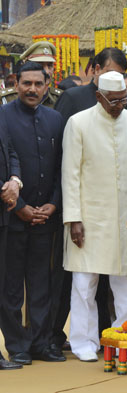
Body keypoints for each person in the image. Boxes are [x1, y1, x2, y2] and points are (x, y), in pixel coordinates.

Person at [50, 46, 127, 356]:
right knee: (84, 284)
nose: (117, 107)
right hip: (87, 219)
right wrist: (72, 218)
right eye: (112, 101)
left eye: (122, 101)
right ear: (98, 96)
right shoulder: (78, 122)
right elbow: (69, 175)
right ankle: (84, 342)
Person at [0, 62, 65, 365]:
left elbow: (61, 168)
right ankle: (17, 345)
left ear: (47, 85)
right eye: (26, 83)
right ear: (16, 82)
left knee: (42, 284)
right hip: (13, 216)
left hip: (45, 217)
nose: (32, 89)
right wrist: (22, 206)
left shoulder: (55, 119)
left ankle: (41, 342)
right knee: (12, 287)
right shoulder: (3, 117)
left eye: (38, 84)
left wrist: (53, 202)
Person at [54, 47, 127, 125]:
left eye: (120, 75)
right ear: (97, 69)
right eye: (111, 73)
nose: (115, 78)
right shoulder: (72, 97)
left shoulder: (126, 101)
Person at [0, 109, 23, 371]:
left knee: (4, 286)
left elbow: (11, 151)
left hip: (4, 216)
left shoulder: (1, 116)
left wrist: (15, 182)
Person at [0, 41, 62, 108]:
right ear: (26, 67)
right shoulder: (6, 99)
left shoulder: (60, 99)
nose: (47, 71)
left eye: (50, 66)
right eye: (40, 65)